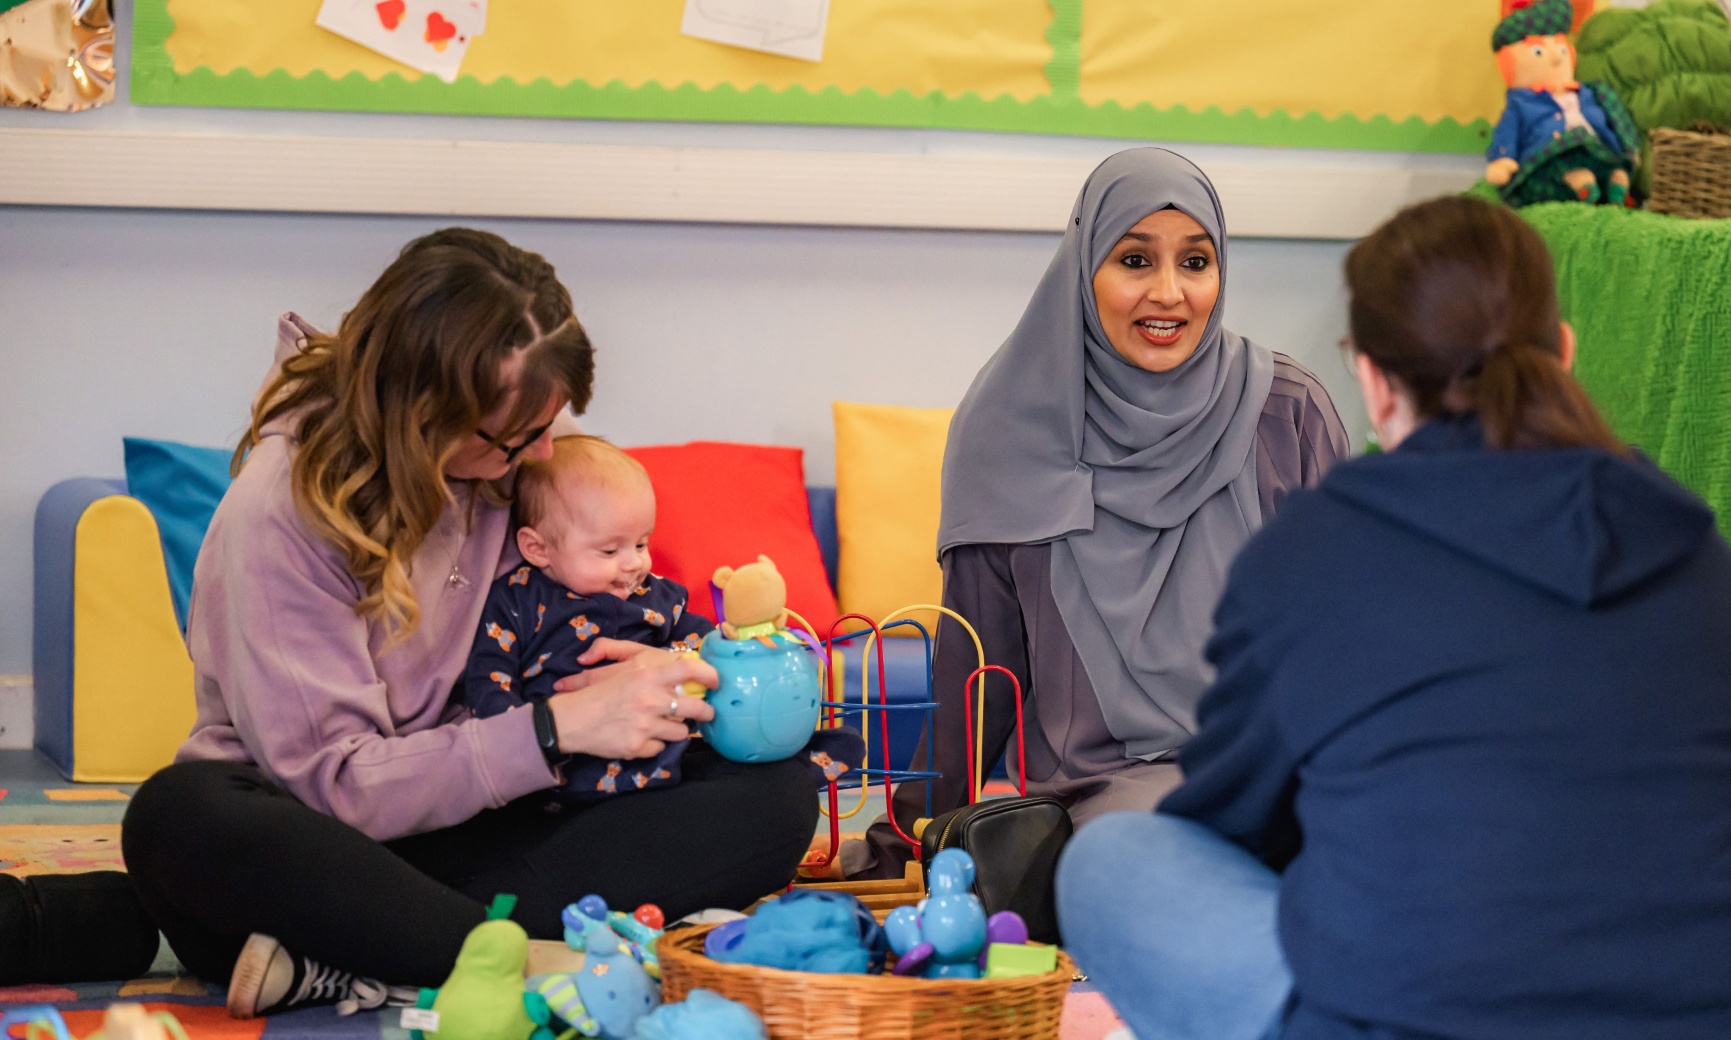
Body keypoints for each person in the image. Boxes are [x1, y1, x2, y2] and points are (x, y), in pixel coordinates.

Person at [1056, 196, 1731, 1040]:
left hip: (1423, 1014)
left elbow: (1232, 825)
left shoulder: (1314, 552)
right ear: (1563, 353)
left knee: (1114, 861)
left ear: (1375, 381)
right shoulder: (1699, 553)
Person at [105, 229, 818, 1017]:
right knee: (178, 818)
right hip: (321, 845)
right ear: (425, 416)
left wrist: (659, 674)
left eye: (550, 423)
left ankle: (385, 957)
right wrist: (554, 728)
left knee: (777, 794)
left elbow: (616, 601)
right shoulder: (277, 517)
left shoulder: (520, 459)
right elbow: (336, 786)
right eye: (516, 436)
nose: (546, 449)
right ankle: (509, 950)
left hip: (484, 823)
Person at [842, 148, 1347, 879]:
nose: (1170, 294)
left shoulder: (1286, 411)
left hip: (1280, 758)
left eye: (1196, 262)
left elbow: (1345, 631)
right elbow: (979, 672)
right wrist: (903, 842)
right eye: (1135, 260)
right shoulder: (1009, 431)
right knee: (1177, 861)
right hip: (1113, 790)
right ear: (1083, 269)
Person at [462, 435, 713, 801]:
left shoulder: (656, 595)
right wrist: (527, 741)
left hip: (660, 763)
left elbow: (703, 641)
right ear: (538, 548)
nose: (634, 563)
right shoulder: (516, 601)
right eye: (610, 550)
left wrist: (676, 658)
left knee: (775, 782)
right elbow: (489, 681)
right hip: (557, 781)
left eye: (642, 544)